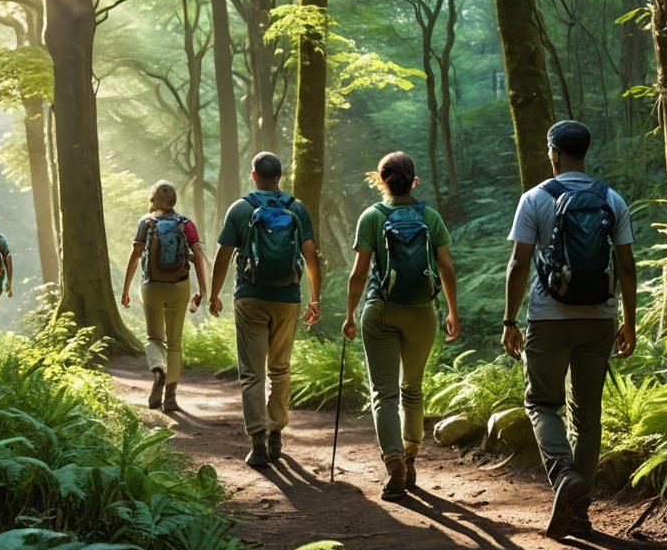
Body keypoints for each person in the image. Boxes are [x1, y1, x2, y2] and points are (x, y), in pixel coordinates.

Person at [501, 120, 637, 540]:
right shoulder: (612, 199)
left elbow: (519, 263)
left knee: (541, 403)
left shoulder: (535, 198)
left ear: (554, 154)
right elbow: (627, 265)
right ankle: (579, 513)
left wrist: (509, 320)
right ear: (585, 152)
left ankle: (563, 476)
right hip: (600, 318)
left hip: (548, 318)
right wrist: (629, 321)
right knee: (587, 415)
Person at [343, 152, 461, 501]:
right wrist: (452, 312)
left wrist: (349, 314)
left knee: (384, 393)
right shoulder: (430, 217)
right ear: (414, 181)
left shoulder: (372, 217)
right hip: (422, 312)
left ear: (382, 180)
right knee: (412, 389)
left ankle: (394, 463)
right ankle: (410, 457)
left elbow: (359, 273)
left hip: (381, 310)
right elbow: (446, 267)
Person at [209, 152, 322, 467]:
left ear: (254, 175)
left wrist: (214, 294)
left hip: (250, 298)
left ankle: (257, 441)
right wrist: (315, 298)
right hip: (288, 299)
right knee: (280, 369)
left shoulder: (240, 208)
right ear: (279, 177)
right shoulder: (296, 209)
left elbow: (223, 254)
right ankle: (276, 431)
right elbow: (311, 256)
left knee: (252, 372)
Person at [120, 180, 209, 412]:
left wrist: (126, 289)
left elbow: (135, 255)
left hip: (151, 287)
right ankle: (170, 397)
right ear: (173, 201)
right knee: (175, 343)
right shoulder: (186, 224)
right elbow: (198, 256)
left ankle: (158, 370)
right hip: (179, 287)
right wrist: (203, 291)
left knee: (154, 338)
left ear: (153, 200)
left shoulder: (146, 222)